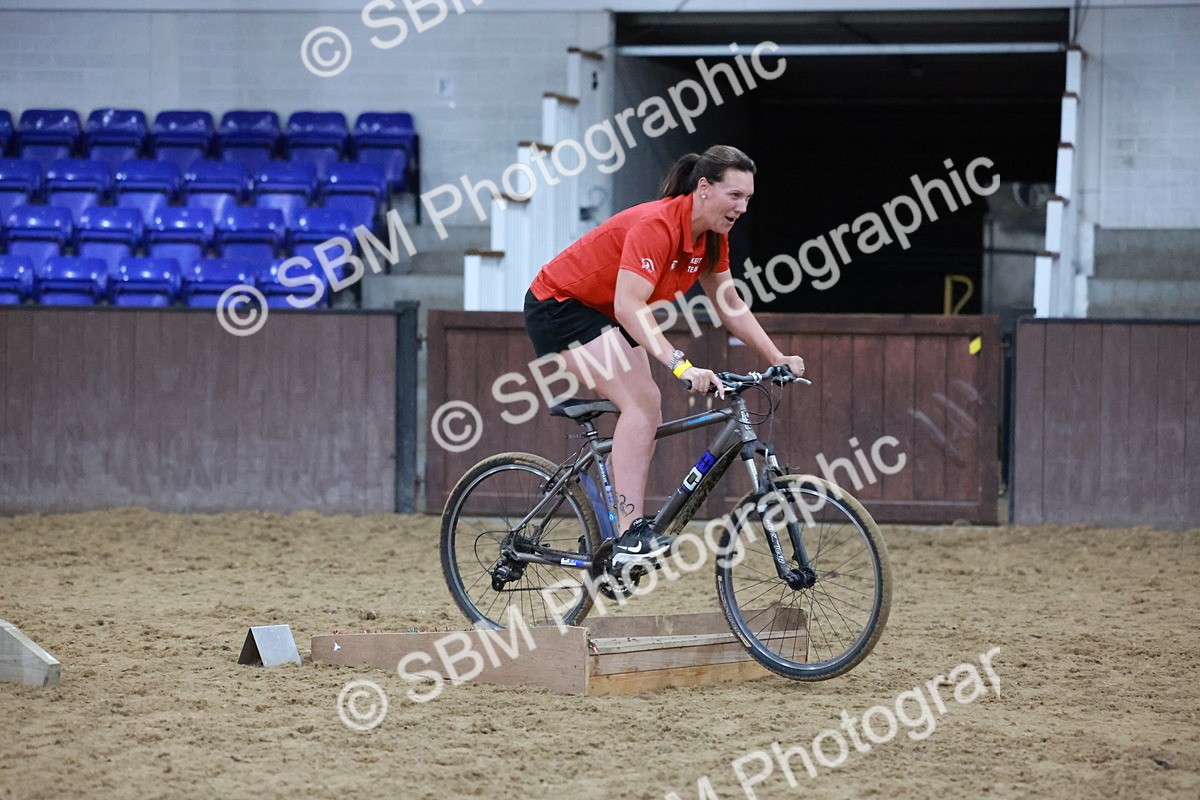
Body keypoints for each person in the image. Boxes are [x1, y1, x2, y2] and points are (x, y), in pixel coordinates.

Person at [523, 145, 805, 565]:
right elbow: (629, 306)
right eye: (735, 196)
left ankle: (618, 531)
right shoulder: (657, 224)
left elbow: (729, 305)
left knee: (648, 406)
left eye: (748, 198)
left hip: (606, 311)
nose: (743, 207)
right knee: (640, 401)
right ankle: (628, 536)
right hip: (562, 305)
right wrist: (680, 363)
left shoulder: (713, 239)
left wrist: (775, 355)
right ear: (704, 189)